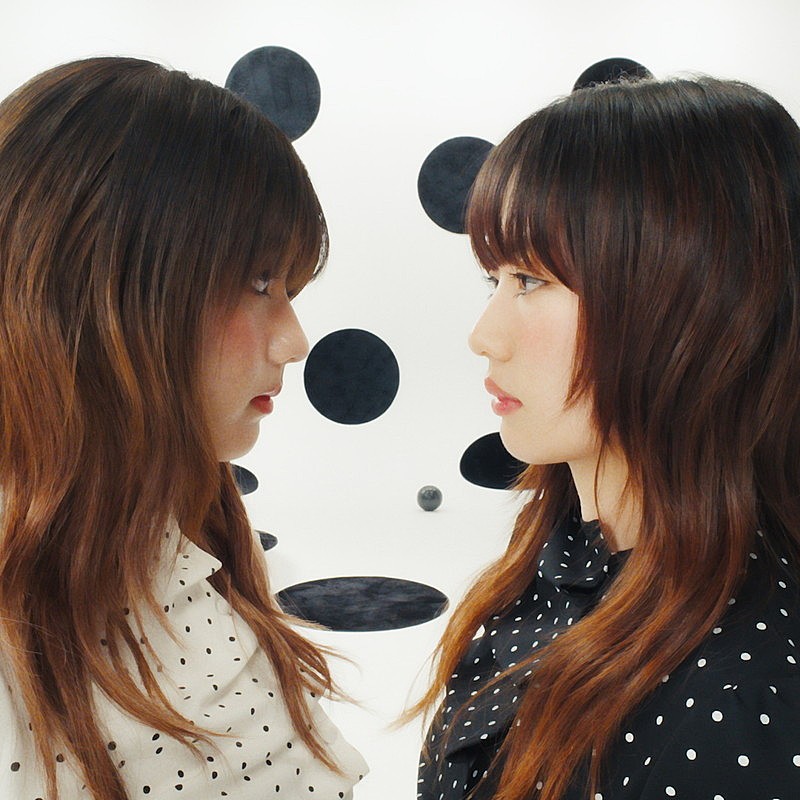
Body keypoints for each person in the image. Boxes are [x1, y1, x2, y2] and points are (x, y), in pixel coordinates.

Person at [414, 76, 800, 800]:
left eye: (531, 280)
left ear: (691, 304)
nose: (484, 336)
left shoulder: (741, 708)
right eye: (495, 280)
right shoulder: (565, 547)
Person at [0, 57, 366, 800]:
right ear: (103, 292)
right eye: (258, 283)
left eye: (288, 287)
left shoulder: (189, 532)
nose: (295, 341)